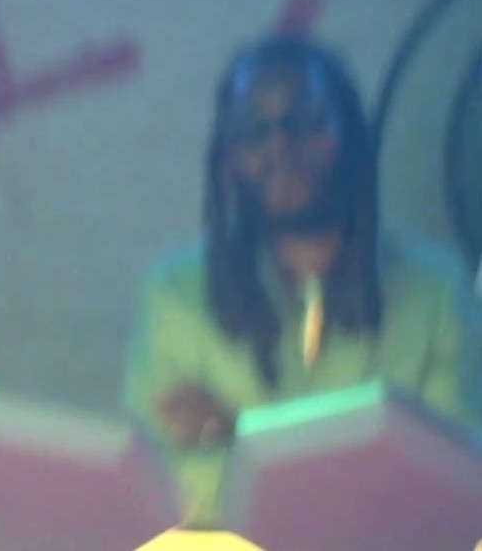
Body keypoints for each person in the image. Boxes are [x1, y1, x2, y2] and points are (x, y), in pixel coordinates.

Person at [121, 33, 482, 527]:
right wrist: (354, 471)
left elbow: (454, 488)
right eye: (254, 131)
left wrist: (239, 436)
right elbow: (159, 490)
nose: (280, 147)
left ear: (349, 132)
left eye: (306, 122)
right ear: (230, 156)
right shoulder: (175, 297)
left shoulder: (438, 292)